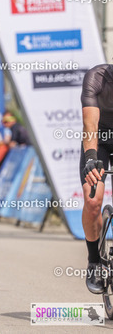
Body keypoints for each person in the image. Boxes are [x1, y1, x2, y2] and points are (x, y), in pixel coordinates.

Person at [80, 64, 113, 294]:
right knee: (92, 201)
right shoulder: (97, 78)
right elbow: (90, 125)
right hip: (98, 141)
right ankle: (94, 262)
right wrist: (91, 158)